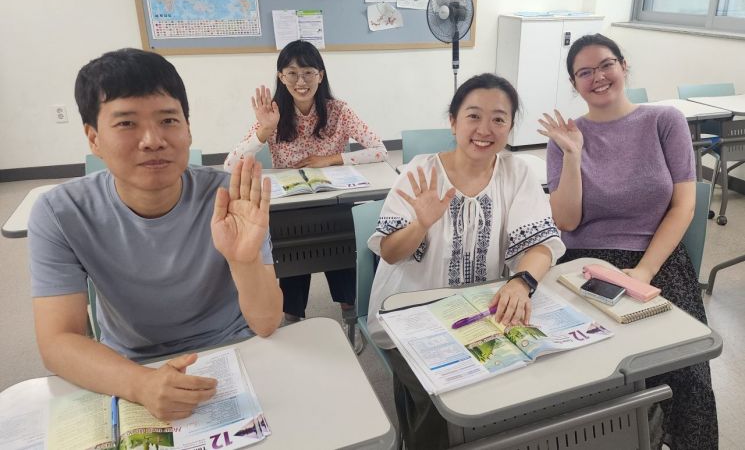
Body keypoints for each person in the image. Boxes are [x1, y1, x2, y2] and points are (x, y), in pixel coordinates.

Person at [29, 48, 283, 420]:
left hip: (237, 349)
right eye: (126, 123)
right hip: (131, 363)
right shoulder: (60, 212)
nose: (152, 140)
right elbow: (57, 342)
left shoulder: (232, 197)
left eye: (168, 120)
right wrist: (141, 384)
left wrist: (243, 261)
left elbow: (265, 323)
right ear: (93, 138)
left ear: (188, 129)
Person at [367, 73, 566, 449]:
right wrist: (421, 222)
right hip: (412, 314)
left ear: (509, 127)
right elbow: (390, 252)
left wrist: (521, 282)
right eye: (473, 116)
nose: (485, 129)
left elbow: (542, 247)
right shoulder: (420, 172)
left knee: (536, 387)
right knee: (444, 404)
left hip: (484, 312)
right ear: (453, 121)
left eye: (499, 119)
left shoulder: (517, 172)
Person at [539, 33, 717, 450]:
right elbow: (567, 220)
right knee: (589, 370)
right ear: (574, 83)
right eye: (585, 72)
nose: (598, 77)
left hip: (653, 260)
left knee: (684, 369)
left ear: (623, 67)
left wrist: (643, 271)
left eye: (606, 65)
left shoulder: (663, 121)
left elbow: (683, 207)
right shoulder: (565, 136)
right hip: (583, 264)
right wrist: (573, 156)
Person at [224, 40, 387, 326]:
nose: (301, 81)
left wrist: (331, 159)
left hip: (335, 202)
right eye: (292, 73)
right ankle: (293, 319)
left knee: (343, 257)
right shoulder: (273, 114)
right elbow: (230, 165)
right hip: (290, 207)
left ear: (320, 75)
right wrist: (263, 131)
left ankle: (350, 316)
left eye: (308, 72)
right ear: (281, 77)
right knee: (291, 267)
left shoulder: (338, 110)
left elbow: (379, 150)